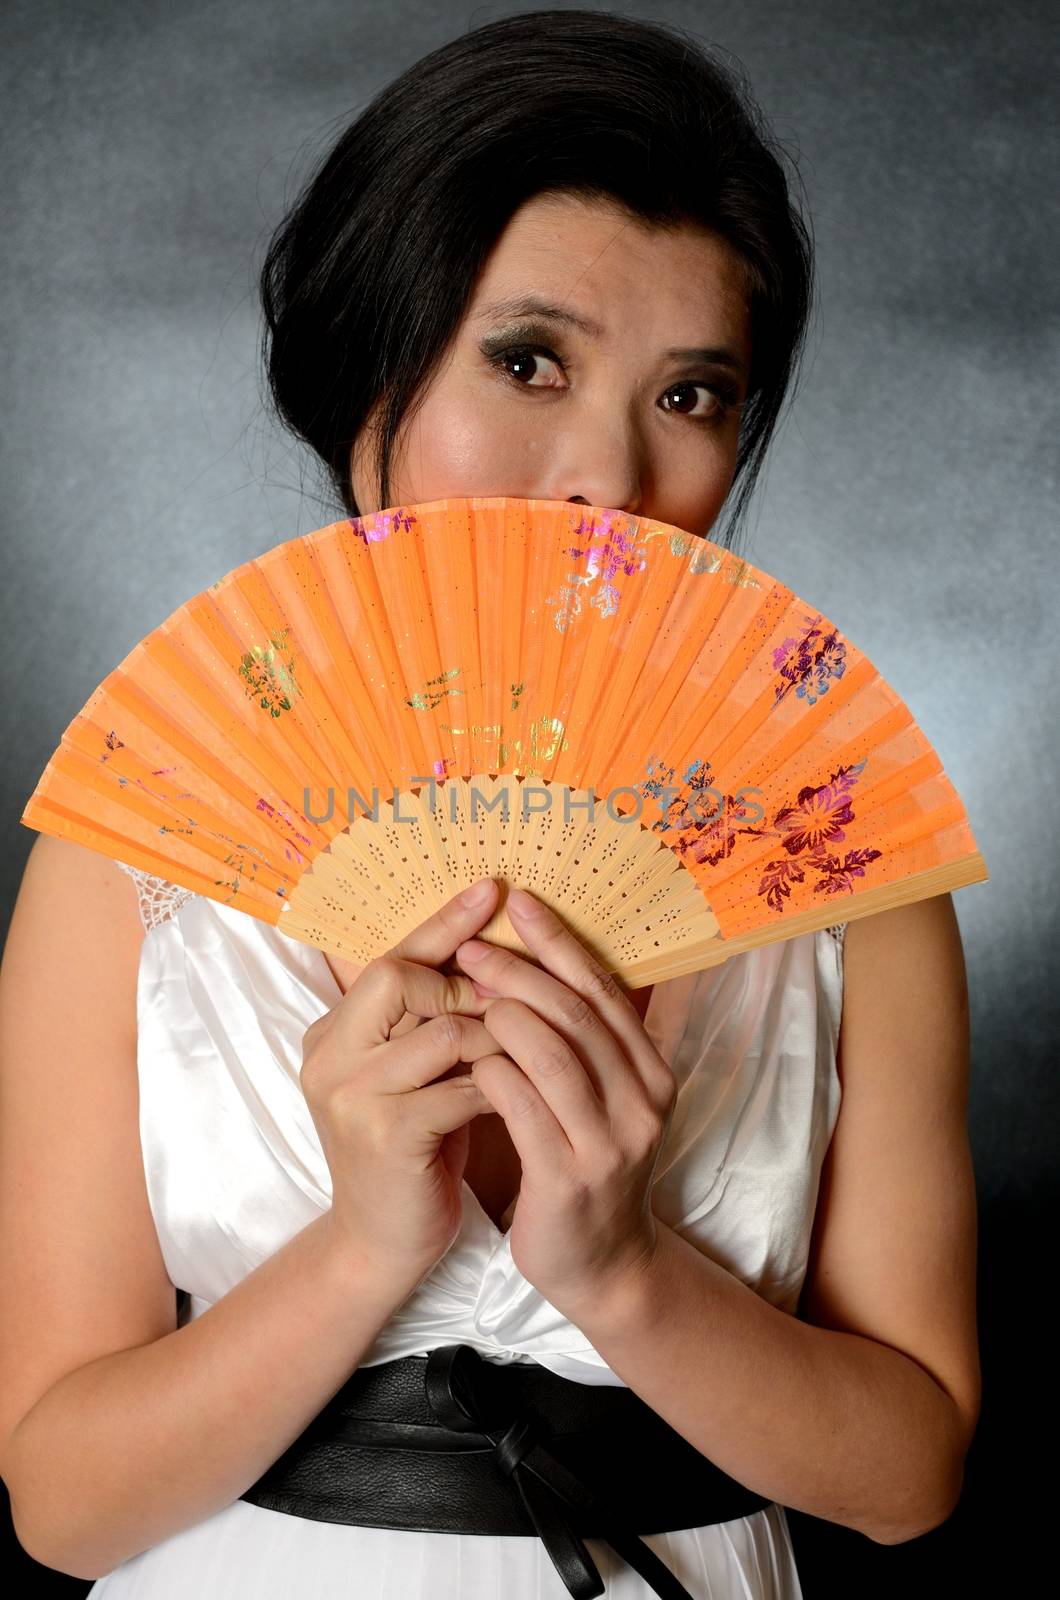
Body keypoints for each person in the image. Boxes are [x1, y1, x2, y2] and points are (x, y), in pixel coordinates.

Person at [0, 9, 980, 1597]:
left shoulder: (842, 864)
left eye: (694, 395)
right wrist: (363, 1249)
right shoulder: (139, 851)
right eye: (527, 360)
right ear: (368, 364)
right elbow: (61, 1508)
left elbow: (908, 1479)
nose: (605, 475)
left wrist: (624, 1272)